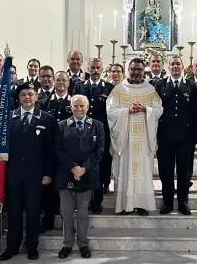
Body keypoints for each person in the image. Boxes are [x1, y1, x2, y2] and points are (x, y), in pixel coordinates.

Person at [0, 82, 55, 261]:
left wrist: (48, 173)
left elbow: (51, 150)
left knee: (33, 211)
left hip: (36, 175)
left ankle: (32, 246)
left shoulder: (46, 118)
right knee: (13, 211)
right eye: (23, 95)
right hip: (13, 174)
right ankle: (12, 247)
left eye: (30, 94)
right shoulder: (8, 117)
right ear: (18, 98)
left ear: (36, 97)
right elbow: (2, 147)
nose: (27, 98)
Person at [107, 57, 163, 215]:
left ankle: (141, 205)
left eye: (139, 69)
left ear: (143, 70)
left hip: (143, 140)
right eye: (133, 69)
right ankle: (124, 205)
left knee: (142, 172)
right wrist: (127, 111)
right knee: (125, 171)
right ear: (128, 70)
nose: (136, 72)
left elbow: (159, 110)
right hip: (125, 140)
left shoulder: (150, 89)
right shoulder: (119, 89)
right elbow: (110, 111)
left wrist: (146, 109)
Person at [55, 95, 105, 259]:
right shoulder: (61, 125)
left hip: (87, 175)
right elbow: (59, 149)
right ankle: (67, 244)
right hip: (66, 175)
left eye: (81, 106)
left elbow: (99, 151)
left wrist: (83, 168)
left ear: (87, 107)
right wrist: (73, 167)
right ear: (70, 107)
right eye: (75, 106)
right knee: (67, 214)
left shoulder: (97, 126)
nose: (78, 109)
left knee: (83, 213)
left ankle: (83, 244)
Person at [155, 55, 197, 215]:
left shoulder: (191, 86)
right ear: (168, 66)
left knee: (184, 171)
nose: (175, 67)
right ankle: (167, 202)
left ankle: (182, 202)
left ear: (182, 66)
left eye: (177, 64)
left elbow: (196, 112)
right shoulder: (159, 85)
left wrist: (194, 136)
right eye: (172, 64)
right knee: (165, 170)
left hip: (185, 138)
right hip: (165, 137)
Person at [74, 58, 114, 214]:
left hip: (101, 134)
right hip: (82, 133)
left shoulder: (109, 88)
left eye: (98, 67)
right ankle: (84, 200)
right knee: (84, 165)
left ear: (102, 69)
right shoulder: (79, 87)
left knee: (100, 167)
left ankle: (97, 201)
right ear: (88, 68)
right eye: (93, 67)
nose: (95, 70)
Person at [39, 71, 73, 232]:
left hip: (68, 152)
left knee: (68, 187)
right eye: (57, 79)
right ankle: (48, 218)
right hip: (50, 152)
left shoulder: (75, 102)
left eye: (63, 80)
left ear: (69, 82)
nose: (60, 82)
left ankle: (68, 222)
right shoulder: (44, 102)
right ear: (53, 81)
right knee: (49, 187)